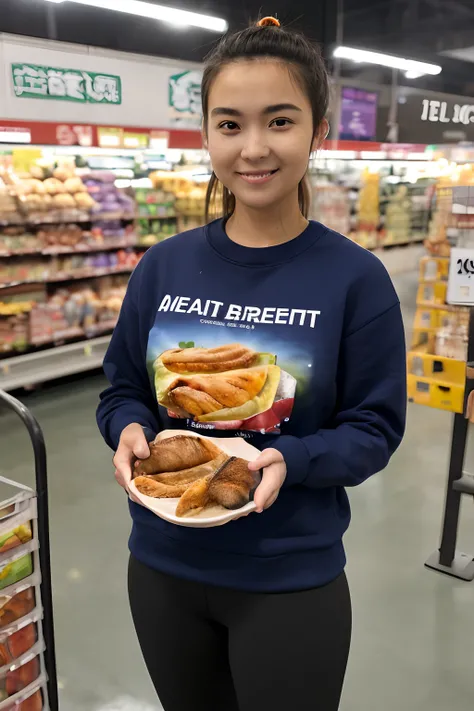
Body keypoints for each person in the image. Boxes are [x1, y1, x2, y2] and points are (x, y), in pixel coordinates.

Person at [97, 16, 406, 711]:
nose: (254, 147)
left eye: (280, 121)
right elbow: (122, 390)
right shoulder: (163, 265)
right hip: (162, 566)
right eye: (230, 124)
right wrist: (126, 430)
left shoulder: (355, 279)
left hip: (289, 575)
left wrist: (288, 460)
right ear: (206, 134)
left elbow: (374, 428)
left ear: (317, 132)